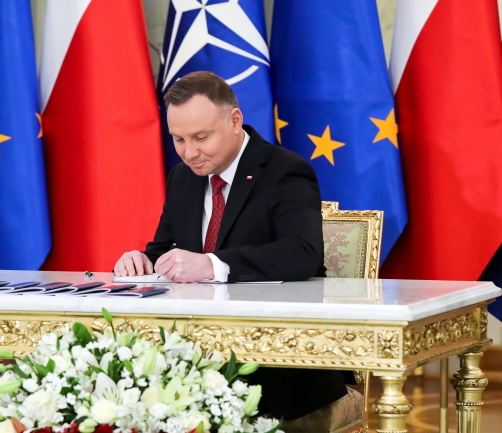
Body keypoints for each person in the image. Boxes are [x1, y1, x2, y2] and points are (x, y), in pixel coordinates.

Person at [113, 71, 347, 419]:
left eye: (201, 137)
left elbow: (303, 254)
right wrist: (141, 260)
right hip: (193, 352)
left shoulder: (285, 170)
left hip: (275, 357)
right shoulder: (183, 177)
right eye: (178, 139)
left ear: (235, 120)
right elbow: (163, 250)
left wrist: (211, 264)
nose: (189, 152)